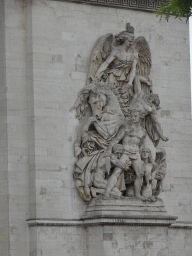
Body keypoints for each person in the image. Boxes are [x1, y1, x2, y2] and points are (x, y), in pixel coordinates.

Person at [103, 110, 147, 200]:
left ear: (140, 117)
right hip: (126, 153)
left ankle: (138, 195)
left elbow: (141, 144)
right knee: (116, 172)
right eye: (132, 116)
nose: (134, 118)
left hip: (136, 154)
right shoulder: (126, 128)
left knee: (140, 174)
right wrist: (108, 150)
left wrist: (142, 158)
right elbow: (116, 140)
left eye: (136, 116)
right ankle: (106, 193)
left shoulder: (143, 131)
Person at [95, 25, 137, 98]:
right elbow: (106, 63)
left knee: (123, 101)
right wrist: (98, 73)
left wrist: (130, 82)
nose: (131, 43)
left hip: (126, 80)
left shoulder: (134, 53)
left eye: (132, 41)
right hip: (114, 78)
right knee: (112, 99)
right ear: (125, 40)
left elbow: (133, 68)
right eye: (130, 41)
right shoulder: (116, 51)